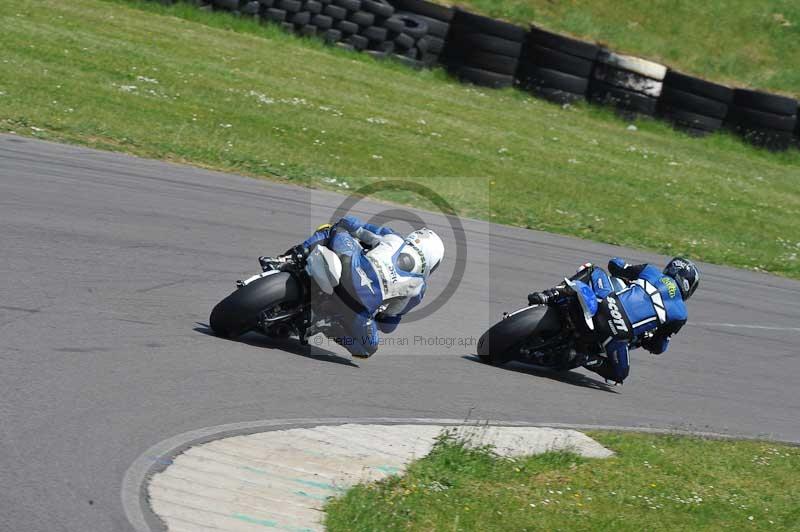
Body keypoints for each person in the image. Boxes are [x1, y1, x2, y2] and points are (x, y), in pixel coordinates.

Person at [261, 215, 444, 358]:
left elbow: (352, 224)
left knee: (333, 229)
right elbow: (387, 325)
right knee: (367, 349)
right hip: (359, 307)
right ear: (433, 263)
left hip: (348, 265)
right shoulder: (419, 288)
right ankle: (329, 327)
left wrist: (349, 232)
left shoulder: (393, 237)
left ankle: (289, 258)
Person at [527, 257, 700, 384]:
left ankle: (550, 294)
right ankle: (581, 357)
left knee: (594, 270)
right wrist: (647, 340)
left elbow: (615, 265)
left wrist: (625, 273)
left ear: (670, 269)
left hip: (605, 305)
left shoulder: (651, 271)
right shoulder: (680, 314)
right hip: (616, 336)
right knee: (620, 374)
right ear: (689, 288)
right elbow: (658, 345)